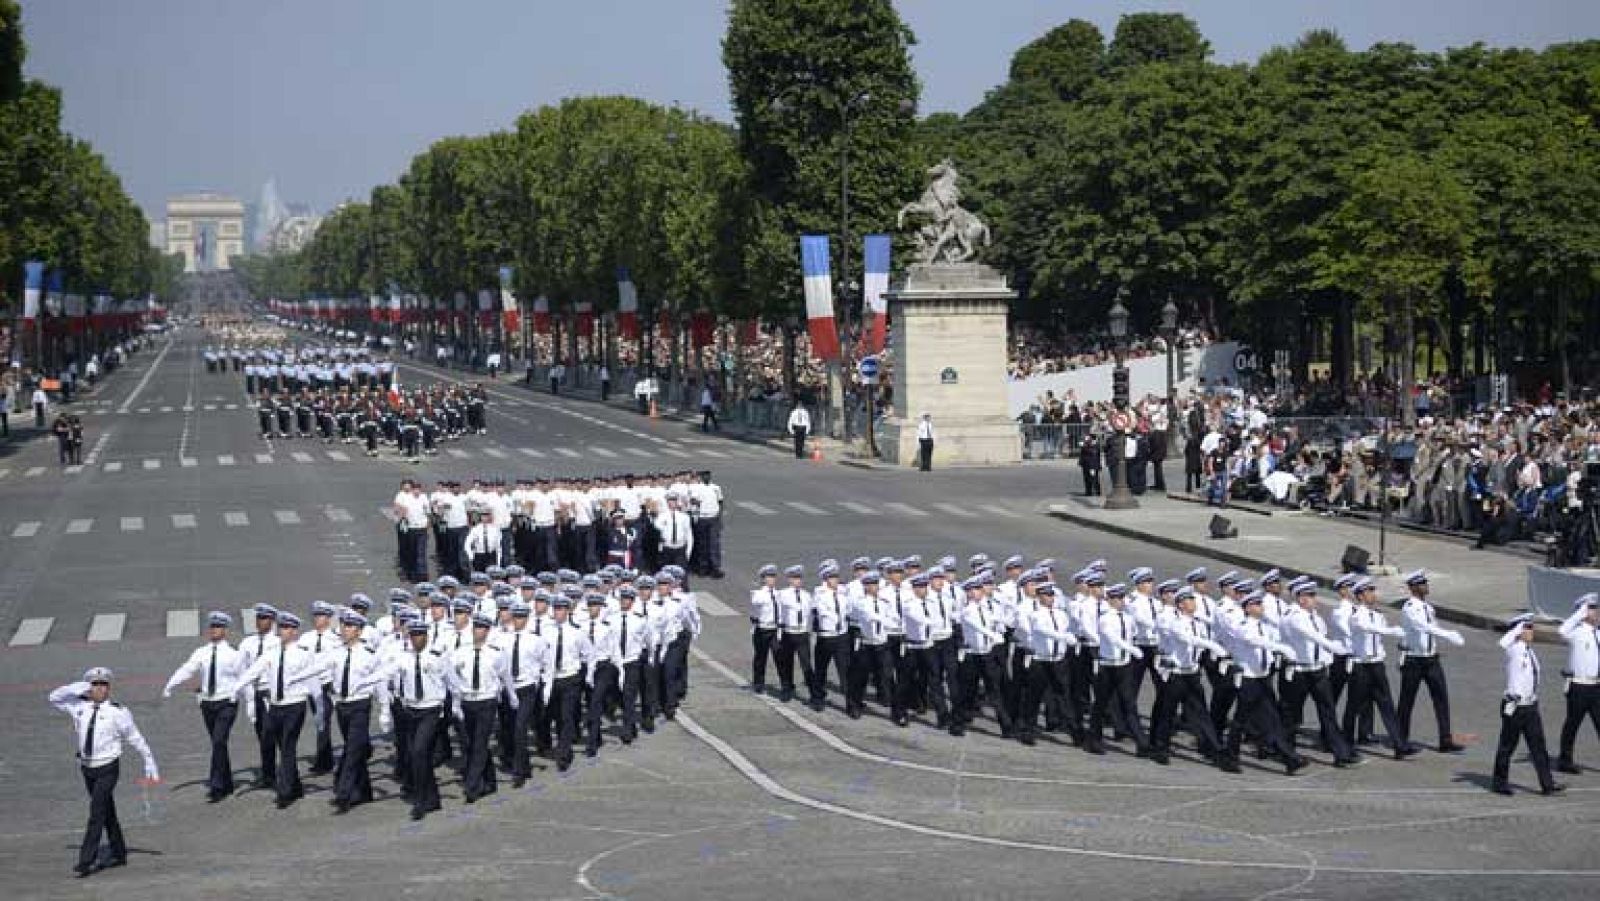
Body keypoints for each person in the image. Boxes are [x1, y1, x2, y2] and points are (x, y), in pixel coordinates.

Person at [50, 667, 159, 878]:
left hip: (108, 767)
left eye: (103, 685)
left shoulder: (118, 712)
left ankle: (85, 860)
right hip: (87, 768)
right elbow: (54, 698)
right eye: (94, 684)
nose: (99, 689)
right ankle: (119, 852)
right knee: (106, 810)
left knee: (96, 812)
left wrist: (149, 761)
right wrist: (76, 688)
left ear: (109, 688)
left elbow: (135, 737)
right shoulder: (79, 707)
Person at [234, 612, 323, 808]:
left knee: (288, 746)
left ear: (294, 631)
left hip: (295, 706)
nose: (281, 631)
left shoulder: (303, 653)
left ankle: (285, 792)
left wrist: (320, 711)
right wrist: (236, 687)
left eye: (285, 628)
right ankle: (296, 786)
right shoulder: (272, 653)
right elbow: (253, 671)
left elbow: (314, 684)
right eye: (280, 627)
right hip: (275, 706)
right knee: (277, 744)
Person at [162, 611, 246, 802]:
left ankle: (217, 786)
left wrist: (249, 704)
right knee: (219, 744)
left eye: (218, 627)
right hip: (208, 704)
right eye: (212, 626)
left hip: (227, 703)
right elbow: (187, 669)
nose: (214, 630)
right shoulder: (202, 652)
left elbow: (244, 678)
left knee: (218, 741)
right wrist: (171, 684)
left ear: (224, 630)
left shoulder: (234, 654)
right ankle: (227, 782)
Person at [1491, 615, 1564, 796]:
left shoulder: (1529, 651)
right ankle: (1500, 783)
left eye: (1531, 628)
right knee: (1507, 745)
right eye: (1528, 628)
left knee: (1538, 746)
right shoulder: (1513, 649)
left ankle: (1547, 784)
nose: (1532, 632)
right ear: (1519, 630)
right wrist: (1516, 630)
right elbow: (1502, 642)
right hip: (1514, 706)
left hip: (1530, 706)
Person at [1396, 571, 1466, 753]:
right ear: (1412, 588)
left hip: (1431, 659)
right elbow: (1422, 626)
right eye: (1421, 584)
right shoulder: (1409, 607)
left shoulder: (1429, 608)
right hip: (1413, 659)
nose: (1425, 586)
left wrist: (1442, 636)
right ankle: (1401, 741)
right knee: (1406, 702)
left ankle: (1445, 739)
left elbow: (1433, 627)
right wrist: (1448, 634)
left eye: (1425, 583)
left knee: (1441, 698)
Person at [1555, 593, 1600, 775]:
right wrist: (1579, 614)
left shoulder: (1597, 632)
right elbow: (1561, 631)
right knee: (1572, 724)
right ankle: (1565, 761)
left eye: (1596, 608)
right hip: (1579, 687)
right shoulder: (1575, 632)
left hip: (1596, 686)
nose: (1597, 612)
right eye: (1592, 608)